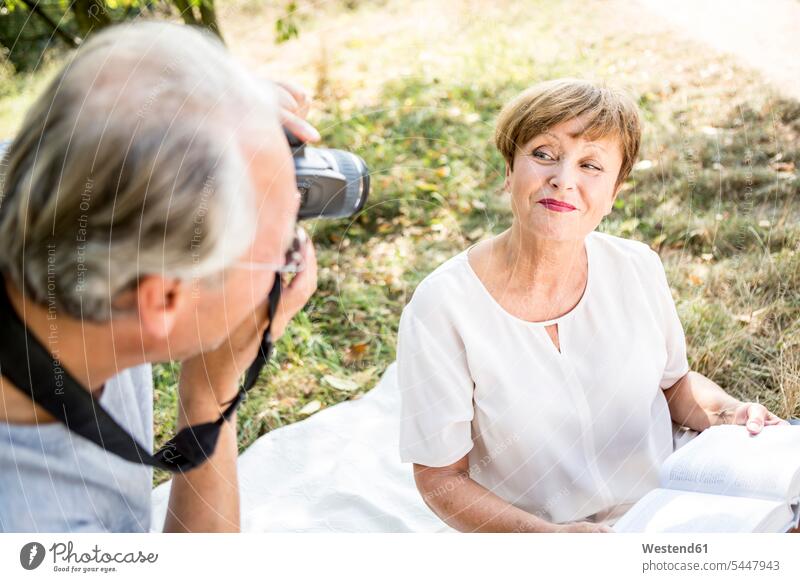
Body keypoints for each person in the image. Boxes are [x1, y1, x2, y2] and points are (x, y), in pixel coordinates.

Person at [397, 78, 792, 533]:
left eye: (591, 165)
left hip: (668, 508)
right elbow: (440, 479)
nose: (563, 180)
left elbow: (675, 385)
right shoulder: (442, 306)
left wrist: (730, 412)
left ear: (615, 192)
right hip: (530, 536)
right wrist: (549, 540)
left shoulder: (637, 267)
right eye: (543, 154)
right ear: (509, 170)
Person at [0, 21, 319, 532]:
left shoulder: (48, 192)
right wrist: (210, 392)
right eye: (284, 249)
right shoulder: (38, 527)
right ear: (164, 300)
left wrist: (215, 108)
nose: (296, 251)